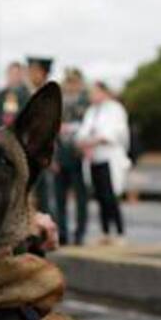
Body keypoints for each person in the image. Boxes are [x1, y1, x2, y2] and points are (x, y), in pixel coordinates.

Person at [75, 81, 131, 245]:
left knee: (111, 196)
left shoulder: (115, 109)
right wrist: (83, 142)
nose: (92, 96)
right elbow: (83, 132)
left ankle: (120, 232)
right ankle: (105, 232)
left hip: (109, 158)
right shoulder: (91, 111)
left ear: (104, 92)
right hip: (93, 159)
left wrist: (94, 141)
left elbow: (115, 132)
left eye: (96, 92)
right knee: (99, 196)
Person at [54, 67, 90, 245]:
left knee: (80, 198)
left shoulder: (86, 101)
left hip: (78, 156)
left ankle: (80, 232)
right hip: (61, 155)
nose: (71, 85)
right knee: (60, 198)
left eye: (74, 81)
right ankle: (62, 232)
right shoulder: (59, 101)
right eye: (68, 82)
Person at [26, 55, 56, 217]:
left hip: (43, 153)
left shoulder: (52, 95)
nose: (31, 75)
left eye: (35, 71)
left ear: (44, 73)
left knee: (47, 196)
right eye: (30, 71)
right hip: (24, 153)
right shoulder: (20, 94)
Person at [0, 61, 29, 127]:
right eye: (12, 73)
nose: (14, 77)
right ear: (7, 74)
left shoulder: (28, 97)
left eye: (17, 74)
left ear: (23, 75)